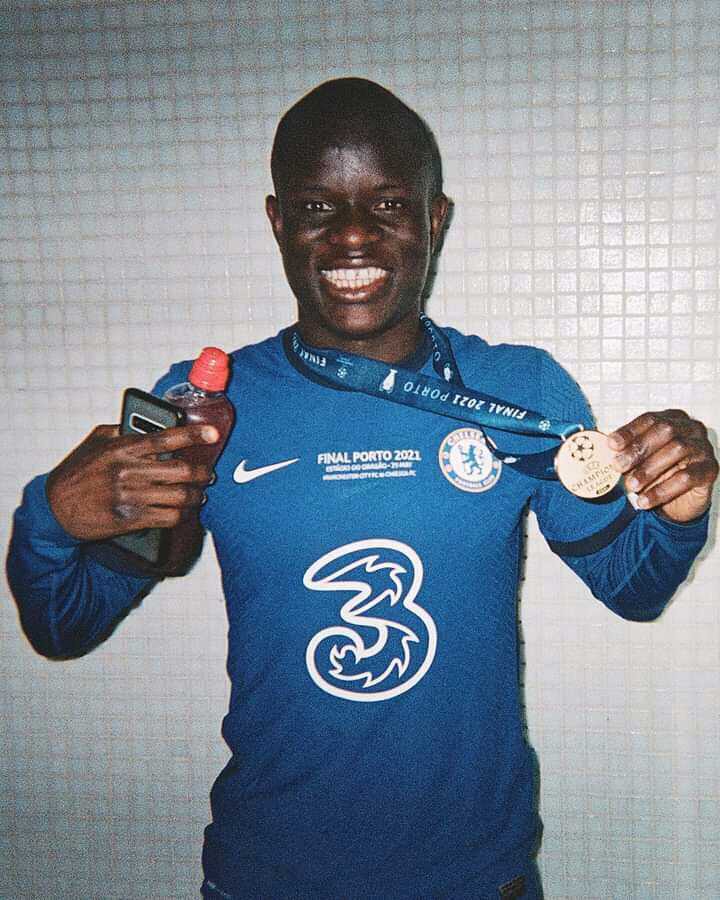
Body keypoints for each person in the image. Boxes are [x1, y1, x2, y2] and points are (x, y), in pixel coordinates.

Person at [7, 78, 718, 899]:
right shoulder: (204, 407)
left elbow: (634, 590)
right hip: (271, 876)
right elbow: (64, 627)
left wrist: (678, 513)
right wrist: (52, 516)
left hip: (476, 879)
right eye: (317, 208)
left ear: (434, 220)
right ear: (278, 221)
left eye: (387, 205)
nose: (351, 235)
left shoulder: (519, 387)